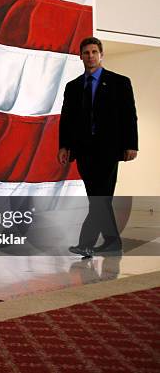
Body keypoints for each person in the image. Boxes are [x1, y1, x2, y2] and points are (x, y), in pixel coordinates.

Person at [58, 37, 138, 258]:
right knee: (99, 198)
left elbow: (129, 116)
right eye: (86, 52)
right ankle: (112, 242)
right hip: (84, 151)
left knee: (99, 198)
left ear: (101, 55)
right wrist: (64, 146)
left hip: (109, 150)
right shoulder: (73, 87)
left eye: (94, 52)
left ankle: (86, 243)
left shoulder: (120, 82)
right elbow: (67, 119)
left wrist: (131, 144)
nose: (90, 56)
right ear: (80, 56)